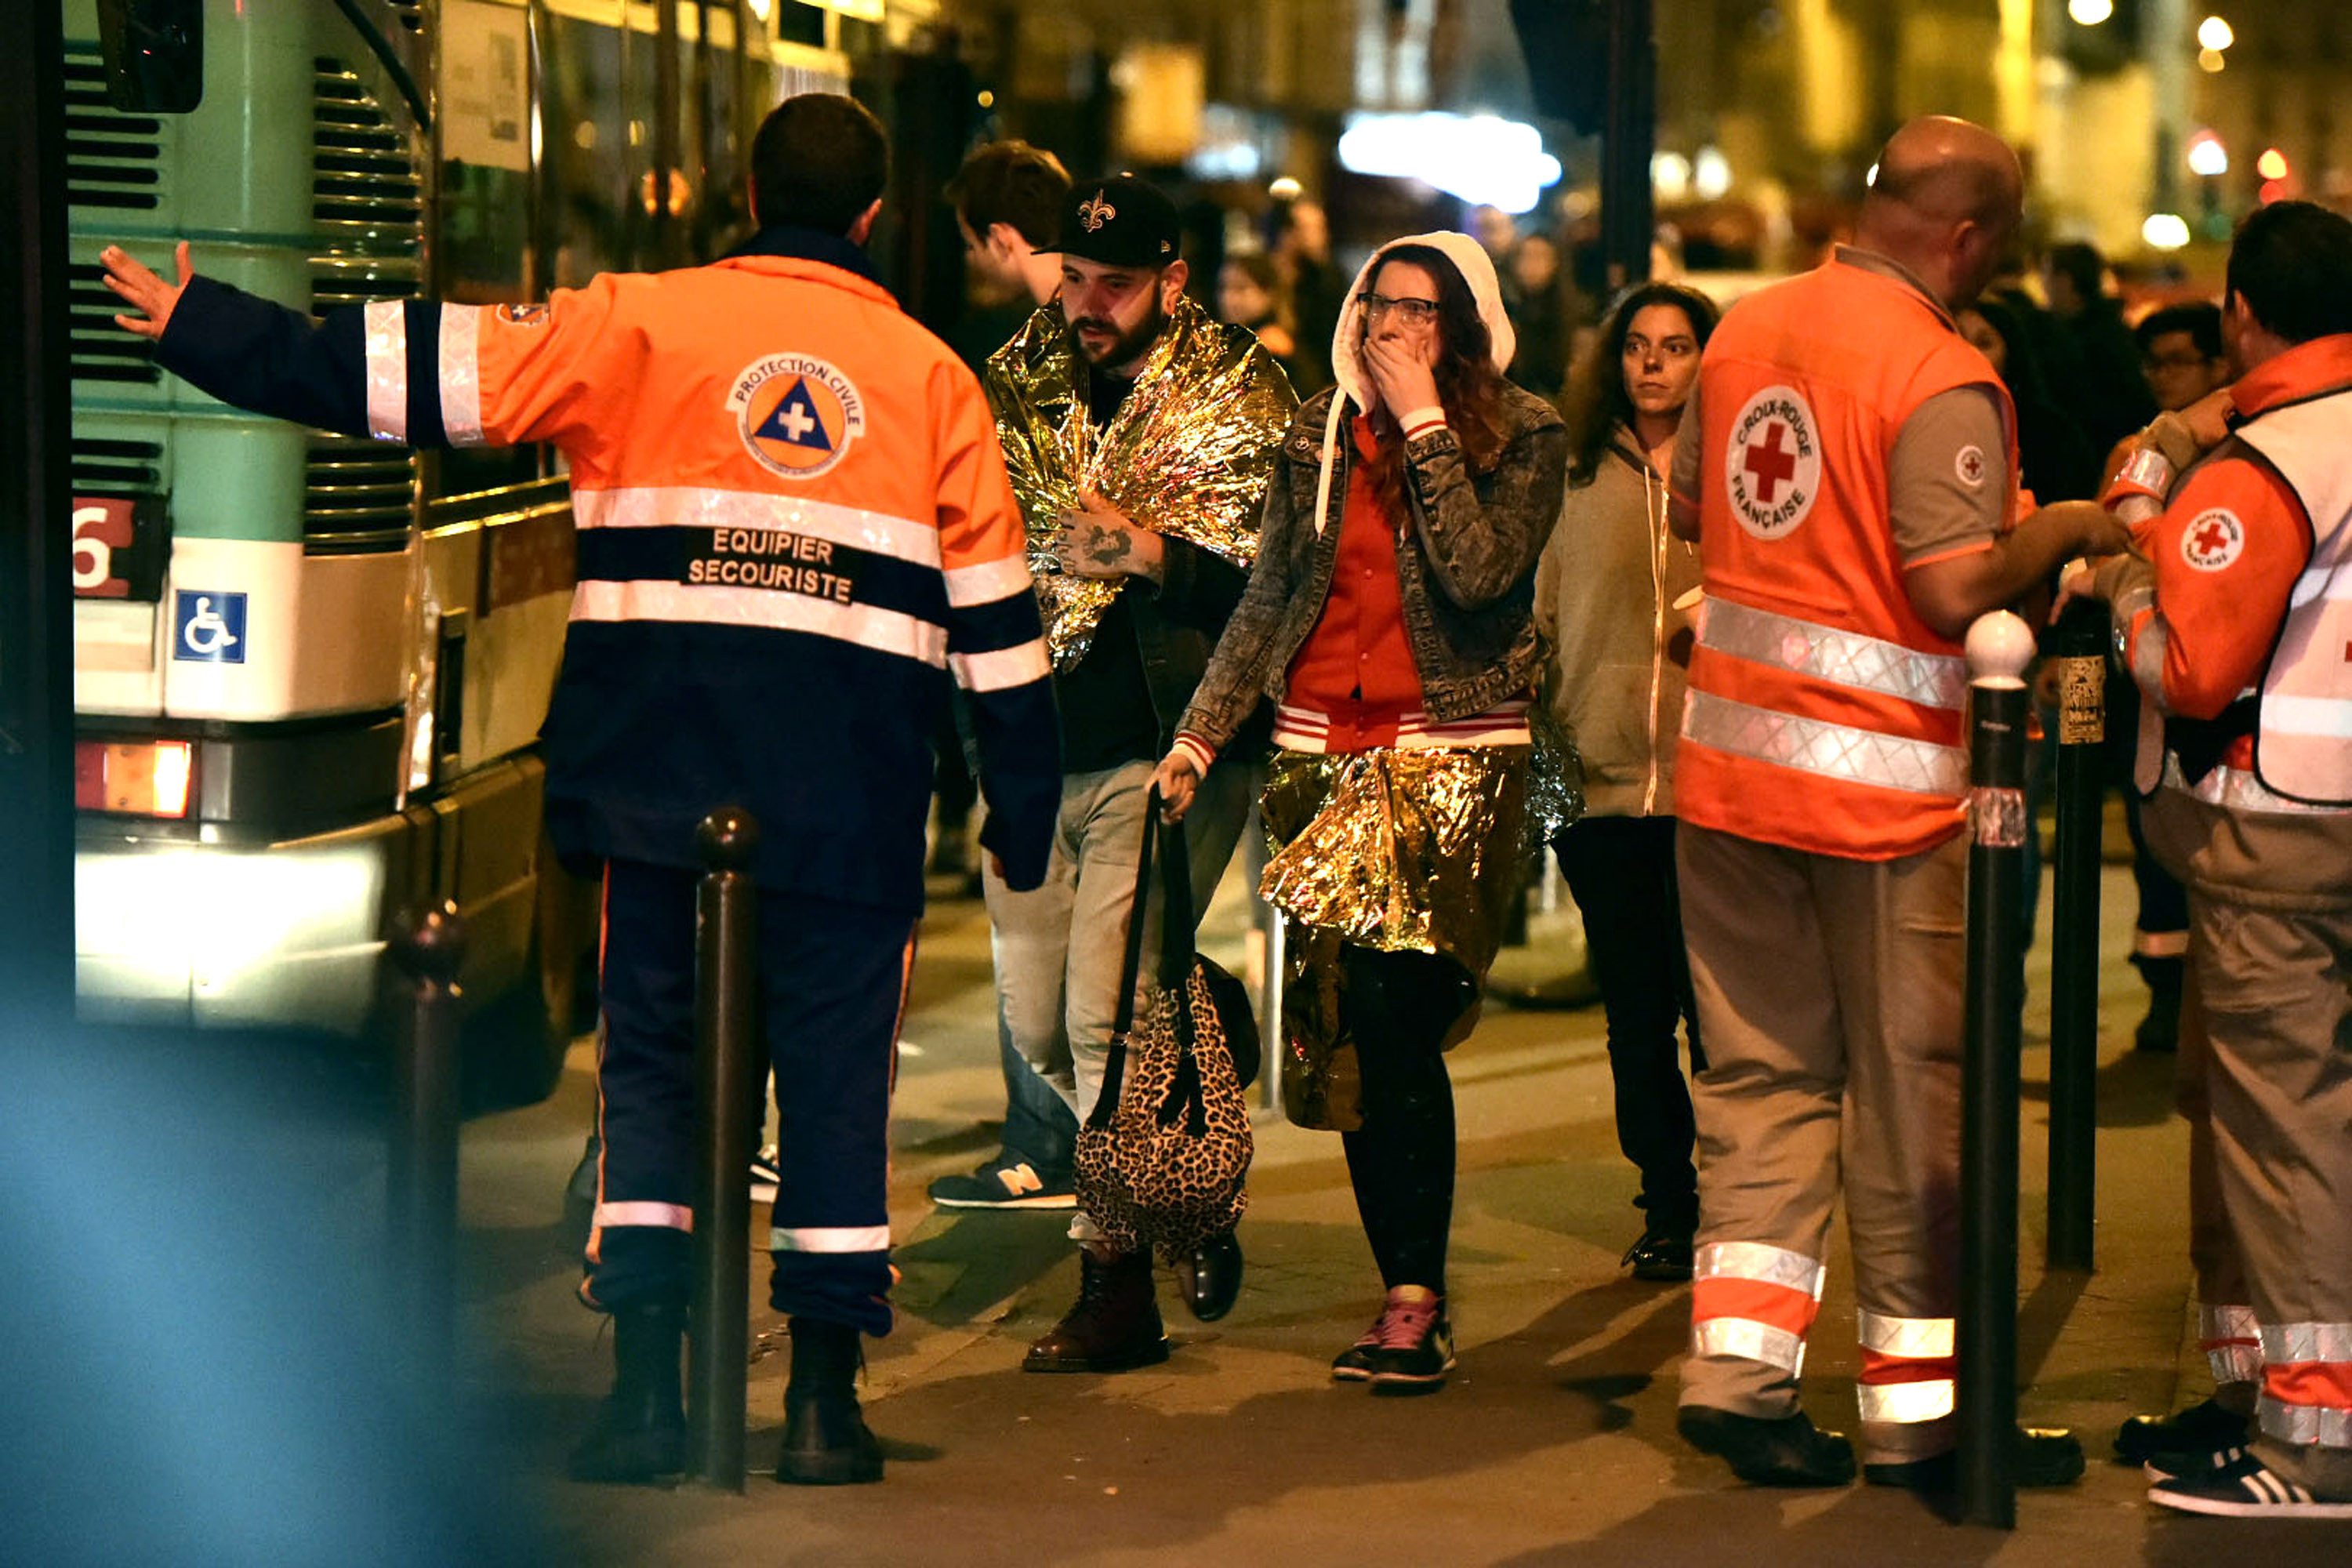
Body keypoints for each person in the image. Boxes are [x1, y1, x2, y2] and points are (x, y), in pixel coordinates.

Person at [101, 93, 1062, 1489]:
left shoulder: (638, 323)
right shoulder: (932, 383)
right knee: (838, 1095)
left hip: (655, 787)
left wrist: (207, 325)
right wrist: (1016, 816)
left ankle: (645, 1402)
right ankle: (821, 1411)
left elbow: (412, 379)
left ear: (742, 186)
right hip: (848, 806)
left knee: (654, 1079)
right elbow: (999, 626)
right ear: (873, 218)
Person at [1664, 116, 2127, 1492]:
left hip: (1731, 783)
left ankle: (1739, 1376)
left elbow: (1700, 507)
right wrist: (2061, 532)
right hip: (1888, 806)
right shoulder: (1941, 371)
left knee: (1757, 1080)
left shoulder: (1744, 331)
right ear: (1969, 235)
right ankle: (1920, 1418)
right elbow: (1943, 589)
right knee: (1915, 1104)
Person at [1158, 230, 1570, 1394]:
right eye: (1381, 307)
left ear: (1469, 328)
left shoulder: (1521, 430)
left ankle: (1414, 1296)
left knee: (1398, 1016)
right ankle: (1406, 1293)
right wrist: (1201, 730)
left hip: (1451, 753)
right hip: (1317, 756)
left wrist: (1426, 423)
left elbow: (1482, 574)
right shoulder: (1316, 432)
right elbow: (1276, 593)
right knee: (1349, 1040)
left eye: (1426, 312)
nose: (1395, 329)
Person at [2060, 199, 2352, 1519]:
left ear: (2240, 311)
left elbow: (2190, 668)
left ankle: (2309, 1437)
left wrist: (2127, 590)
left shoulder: (2268, 468)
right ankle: (2244, 1396)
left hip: (2271, 840)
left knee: (2282, 1139)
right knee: (2255, 1124)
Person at [981, 175, 1297, 1369]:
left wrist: (1156, 552)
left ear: (1171, 280)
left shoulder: (1241, 395)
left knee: (1104, 1016)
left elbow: (1275, 593)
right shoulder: (1018, 381)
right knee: (1040, 1030)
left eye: (1116, 284)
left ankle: (1115, 1285)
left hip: (1160, 747)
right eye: (1074, 279)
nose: (1089, 304)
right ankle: (1196, 1123)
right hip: (1025, 749)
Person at [1536, 280, 1719, 1283]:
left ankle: (1738, 1197)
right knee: (1636, 1012)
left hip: (1710, 782)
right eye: (1639, 346)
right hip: (1598, 783)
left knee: (1717, 1008)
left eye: (1678, 346)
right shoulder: (1570, 468)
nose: (1654, 363)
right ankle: (1669, 1200)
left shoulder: (1736, 469)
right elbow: (1542, 616)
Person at [924, 138, 1090, 1212]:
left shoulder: (1023, 357)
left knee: (1024, 894)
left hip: (1031, 656)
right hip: (1107, 666)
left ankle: (1043, 1134)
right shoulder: (1118, 330)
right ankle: (1075, 1127)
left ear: (998, 237)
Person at [2042, 238, 2158, 457]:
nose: (2043, 286)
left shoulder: (2078, 340)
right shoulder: (2113, 329)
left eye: (2046, 275)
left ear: (2065, 280)